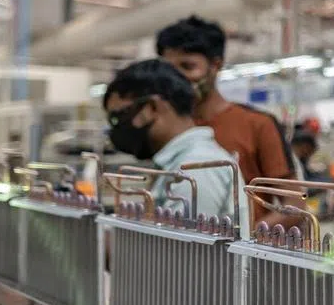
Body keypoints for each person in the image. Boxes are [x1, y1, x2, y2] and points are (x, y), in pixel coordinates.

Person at [156, 16, 295, 186]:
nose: (176, 78)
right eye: (169, 69)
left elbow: (291, 200)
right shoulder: (162, 128)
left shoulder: (258, 125)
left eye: (188, 67)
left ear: (216, 65)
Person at [103, 59, 246, 220]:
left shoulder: (196, 167)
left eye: (118, 117)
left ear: (151, 108)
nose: (117, 128)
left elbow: (183, 236)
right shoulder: (181, 163)